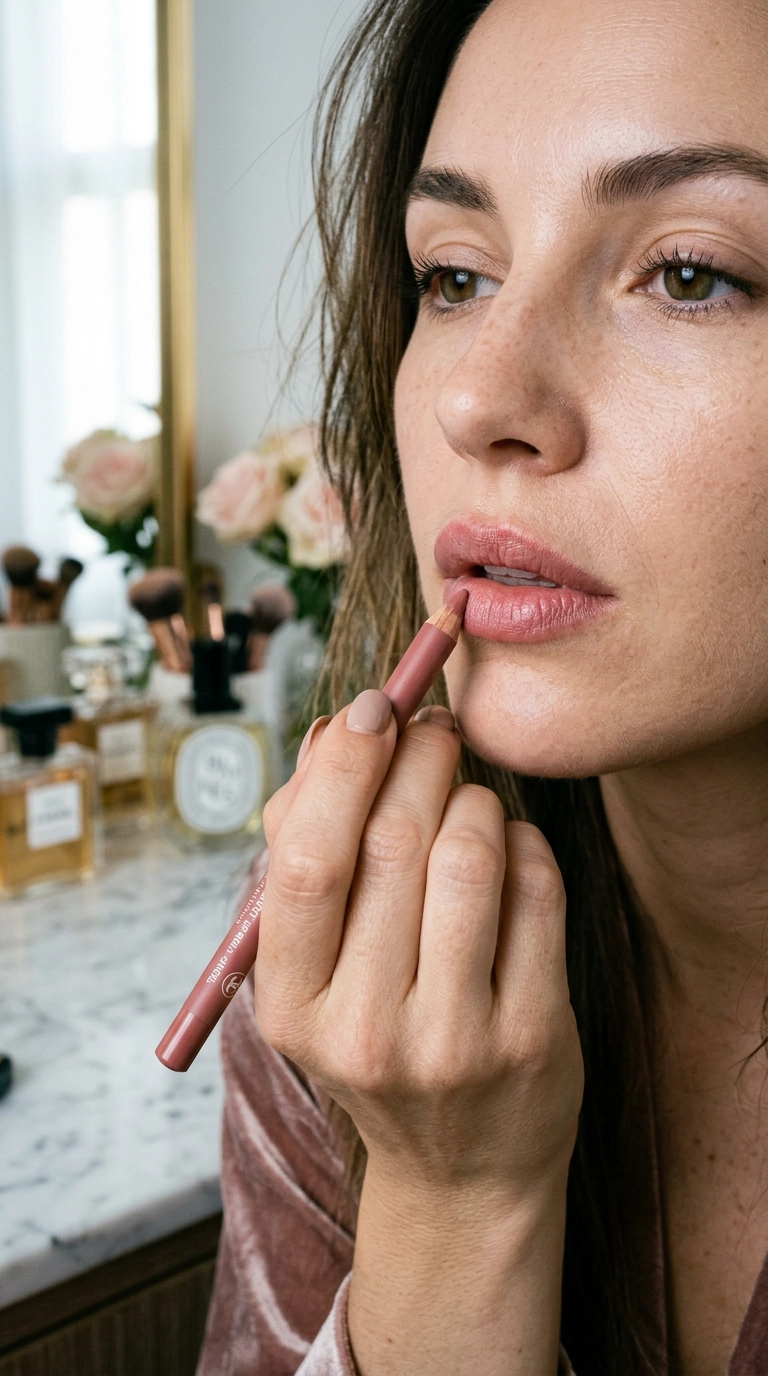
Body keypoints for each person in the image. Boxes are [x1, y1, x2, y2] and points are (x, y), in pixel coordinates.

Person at [198, 0, 768, 1371]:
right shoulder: (362, 950)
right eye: (454, 275)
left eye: (691, 274)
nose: (478, 398)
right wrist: (454, 1208)